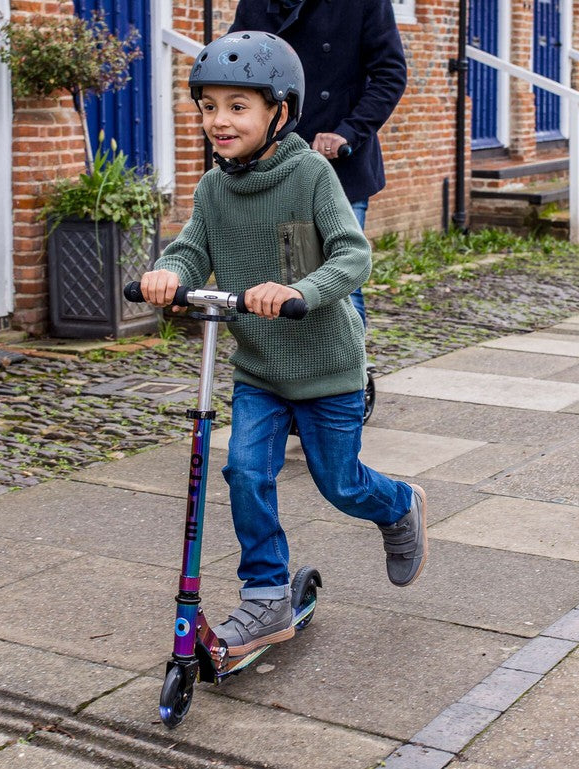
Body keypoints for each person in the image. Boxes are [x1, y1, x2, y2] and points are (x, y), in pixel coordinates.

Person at [141, 32, 426, 657]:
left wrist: (299, 288)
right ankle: (266, 594)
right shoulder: (214, 188)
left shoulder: (310, 175)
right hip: (260, 370)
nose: (219, 120)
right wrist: (170, 274)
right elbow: (193, 248)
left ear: (279, 112)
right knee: (245, 471)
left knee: (340, 484)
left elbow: (352, 255)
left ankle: (399, 505)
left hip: (327, 370)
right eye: (209, 105)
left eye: (238, 106)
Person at [229, 0, 407, 325]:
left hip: (337, 165)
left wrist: (348, 133)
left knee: (339, 277)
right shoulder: (256, 4)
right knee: (271, 279)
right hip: (269, 163)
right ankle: (280, 369)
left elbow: (389, 75)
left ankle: (351, 372)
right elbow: (233, 70)